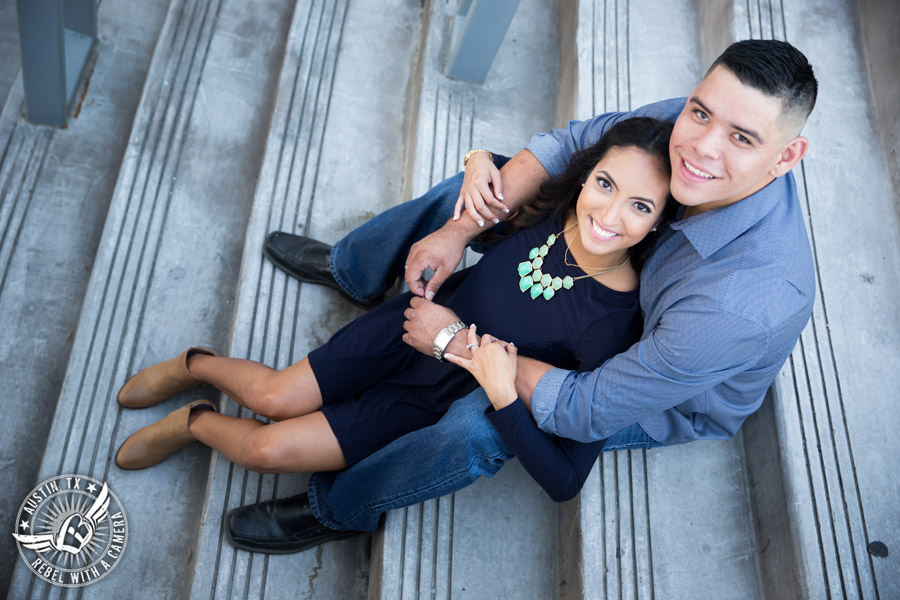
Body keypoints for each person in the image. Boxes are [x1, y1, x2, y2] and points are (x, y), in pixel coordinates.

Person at [224, 38, 818, 555]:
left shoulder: (742, 302)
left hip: (656, 379)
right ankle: (357, 267)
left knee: (476, 424)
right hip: (629, 247)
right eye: (700, 113)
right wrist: (461, 226)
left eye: (741, 138)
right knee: (482, 191)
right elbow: (572, 147)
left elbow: (590, 408)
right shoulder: (689, 125)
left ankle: (344, 508)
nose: (701, 148)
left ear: (787, 155)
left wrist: (459, 342)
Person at [114, 119, 677, 512]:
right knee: (272, 399)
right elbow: (488, 170)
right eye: (605, 184)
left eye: (640, 205)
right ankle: (196, 364)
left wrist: (504, 396)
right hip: (405, 327)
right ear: (587, 175)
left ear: (657, 223)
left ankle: (195, 421)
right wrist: (477, 157)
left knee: (267, 450)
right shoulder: (550, 205)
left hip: (427, 396)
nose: (608, 213)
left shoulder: (613, 323)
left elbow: (565, 481)